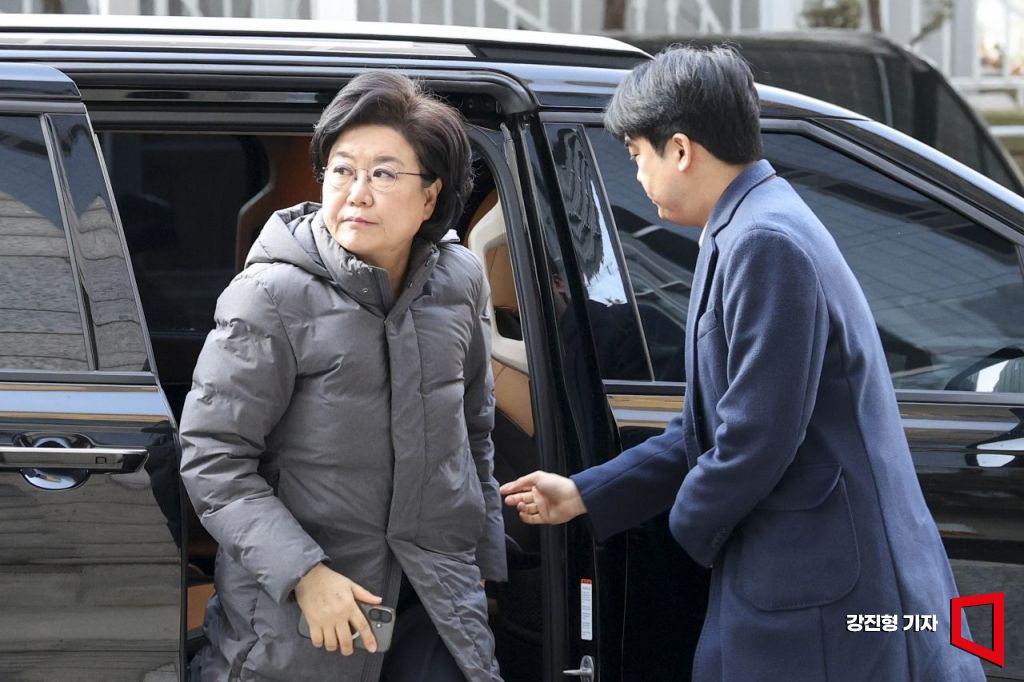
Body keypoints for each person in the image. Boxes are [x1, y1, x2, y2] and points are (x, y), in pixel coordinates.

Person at [500, 46, 985, 681]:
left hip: (824, 593)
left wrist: (686, 530)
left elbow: (755, 438)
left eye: (636, 155)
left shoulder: (763, 240)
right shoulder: (749, 223)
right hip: (807, 577)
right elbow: (708, 426)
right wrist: (586, 492)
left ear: (680, 149)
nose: (637, 174)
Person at [180, 70, 506, 682]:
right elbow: (213, 458)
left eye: (383, 174)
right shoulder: (271, 295)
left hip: (436, 597)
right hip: (308, 606)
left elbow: (472, 433)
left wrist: (480, 563)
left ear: (430, 196)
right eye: (342, 170)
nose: (357, 193)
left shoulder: (459, 280)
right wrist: (305, 574)